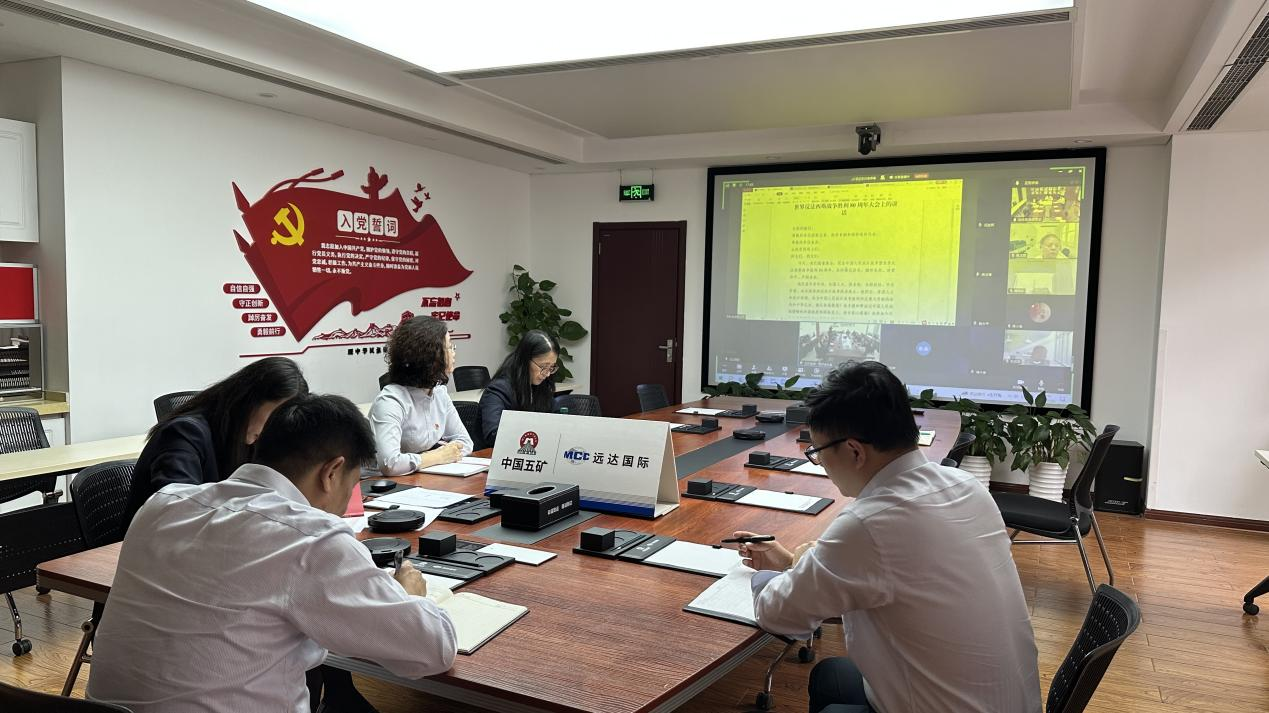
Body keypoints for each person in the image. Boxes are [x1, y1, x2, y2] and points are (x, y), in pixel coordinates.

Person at [88, 394, 457, 713]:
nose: (348, 500)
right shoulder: (310, 539)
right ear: (332, 472)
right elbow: (432, 648)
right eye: (353, 483)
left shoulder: (163, 504)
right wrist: (410, 596)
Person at [736, 361, 1040, 713]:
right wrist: (799, 563)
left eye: (817, 453)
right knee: (830, 676)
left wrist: (782, 570)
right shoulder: (965, 485)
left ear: (854, 451)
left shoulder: (869, 523)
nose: (821, 464)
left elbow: (779, 616)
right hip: (1012, 702)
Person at [123, 356, 309, 526]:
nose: (273, 427)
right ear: (250, 400)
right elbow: (176, 509)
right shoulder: (185, 433)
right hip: (155, 541)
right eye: (274, 415)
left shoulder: (253, 439)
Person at [370, 315, 473, 474]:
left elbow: (465, 442)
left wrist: (438, 455)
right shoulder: (391, 400)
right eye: (449, 347)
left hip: (419, 477)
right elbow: (389, 463)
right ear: (431, 356)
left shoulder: (439, 393)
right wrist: (437, 456)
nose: (453, 353)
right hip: (378, 482)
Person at [479, 330, 559, 446]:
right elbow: (493, 434)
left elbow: (555, 418)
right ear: (525, 360)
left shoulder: (542, 385)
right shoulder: (499, 389)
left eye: (551, 367)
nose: (547, 374)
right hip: (493, 453)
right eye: (543, 367)